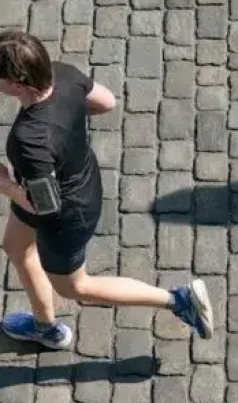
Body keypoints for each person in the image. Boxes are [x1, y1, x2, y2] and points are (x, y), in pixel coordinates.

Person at [0, 30, 213, 350]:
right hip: (80, 175)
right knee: (17, 247)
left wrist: (5, 184)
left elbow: (43, 206)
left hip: (65, 214)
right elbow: (106, 101)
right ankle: (45, 327)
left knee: (76, 287)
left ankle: (178, 300)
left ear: (16, 84)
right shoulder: (62, 73)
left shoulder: (29, 141)